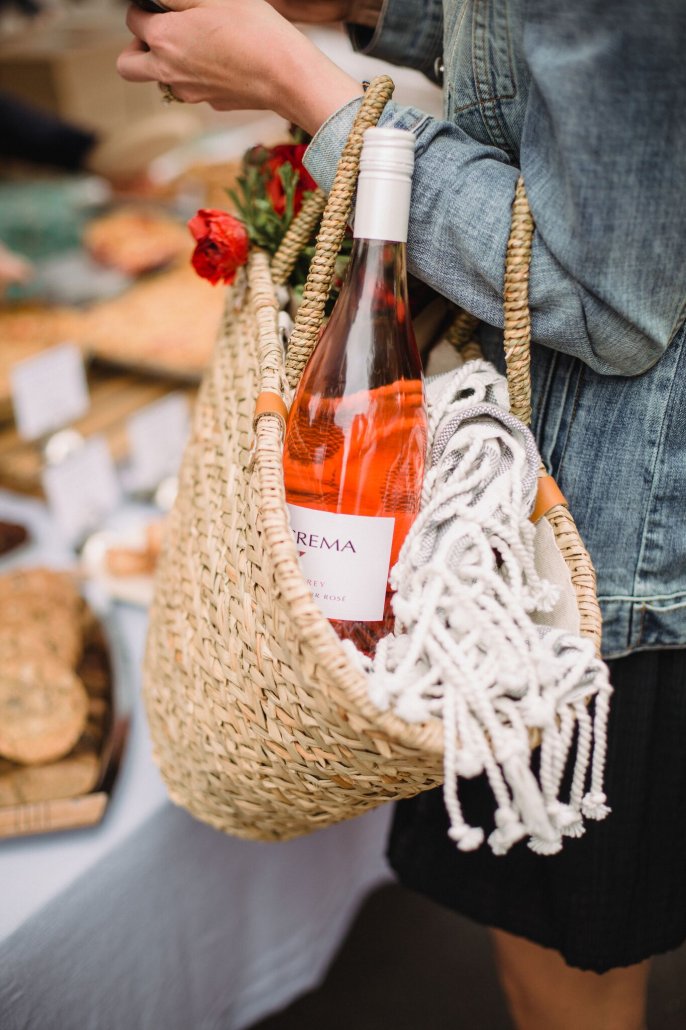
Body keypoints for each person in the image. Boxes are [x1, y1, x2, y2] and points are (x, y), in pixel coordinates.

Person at [117, 2, 686, 1027]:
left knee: (565, 983)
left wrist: (302, 83)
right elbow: (557, 66)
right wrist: (366, 9)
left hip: (592, 558)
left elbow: (608, 301)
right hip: (540, 513)